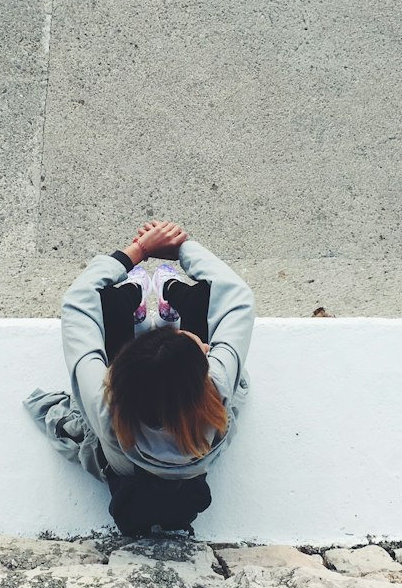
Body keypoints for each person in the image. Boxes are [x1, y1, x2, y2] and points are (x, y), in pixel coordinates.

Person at [24, 220, 255, 536]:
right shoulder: (220, 387)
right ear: (203, 377)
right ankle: (171, 294)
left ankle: (132, 299)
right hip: (188, 464)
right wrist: (181, 247)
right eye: (201, 349)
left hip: (129, 467)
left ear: (116, 375)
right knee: (206, 297)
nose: (204, 345)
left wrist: (140, 250)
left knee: (103, 303)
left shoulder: (105, 407)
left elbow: (79, 302)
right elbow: (237, 298)